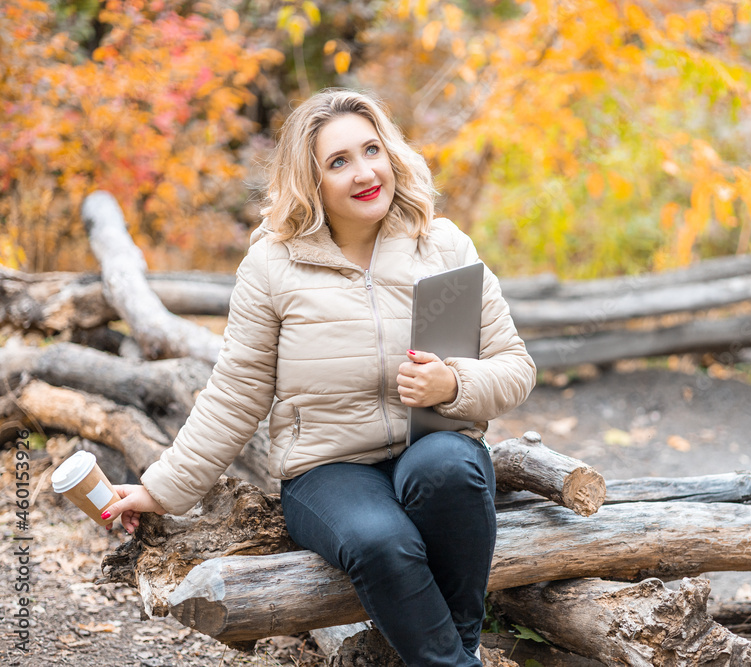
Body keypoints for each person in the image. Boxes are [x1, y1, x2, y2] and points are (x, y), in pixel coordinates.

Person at [103, 88, 537, 666]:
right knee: (383, 541)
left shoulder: (444, 244)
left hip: (431, 446)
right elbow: (236, 393)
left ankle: (458, 649)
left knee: (452, 469)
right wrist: (162, 488)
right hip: (327, 471)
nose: (365, 173)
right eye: (339, 162)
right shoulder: (272, 266)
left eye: (372, 150)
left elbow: (516, 366)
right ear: (311, 181)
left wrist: (454, 385)